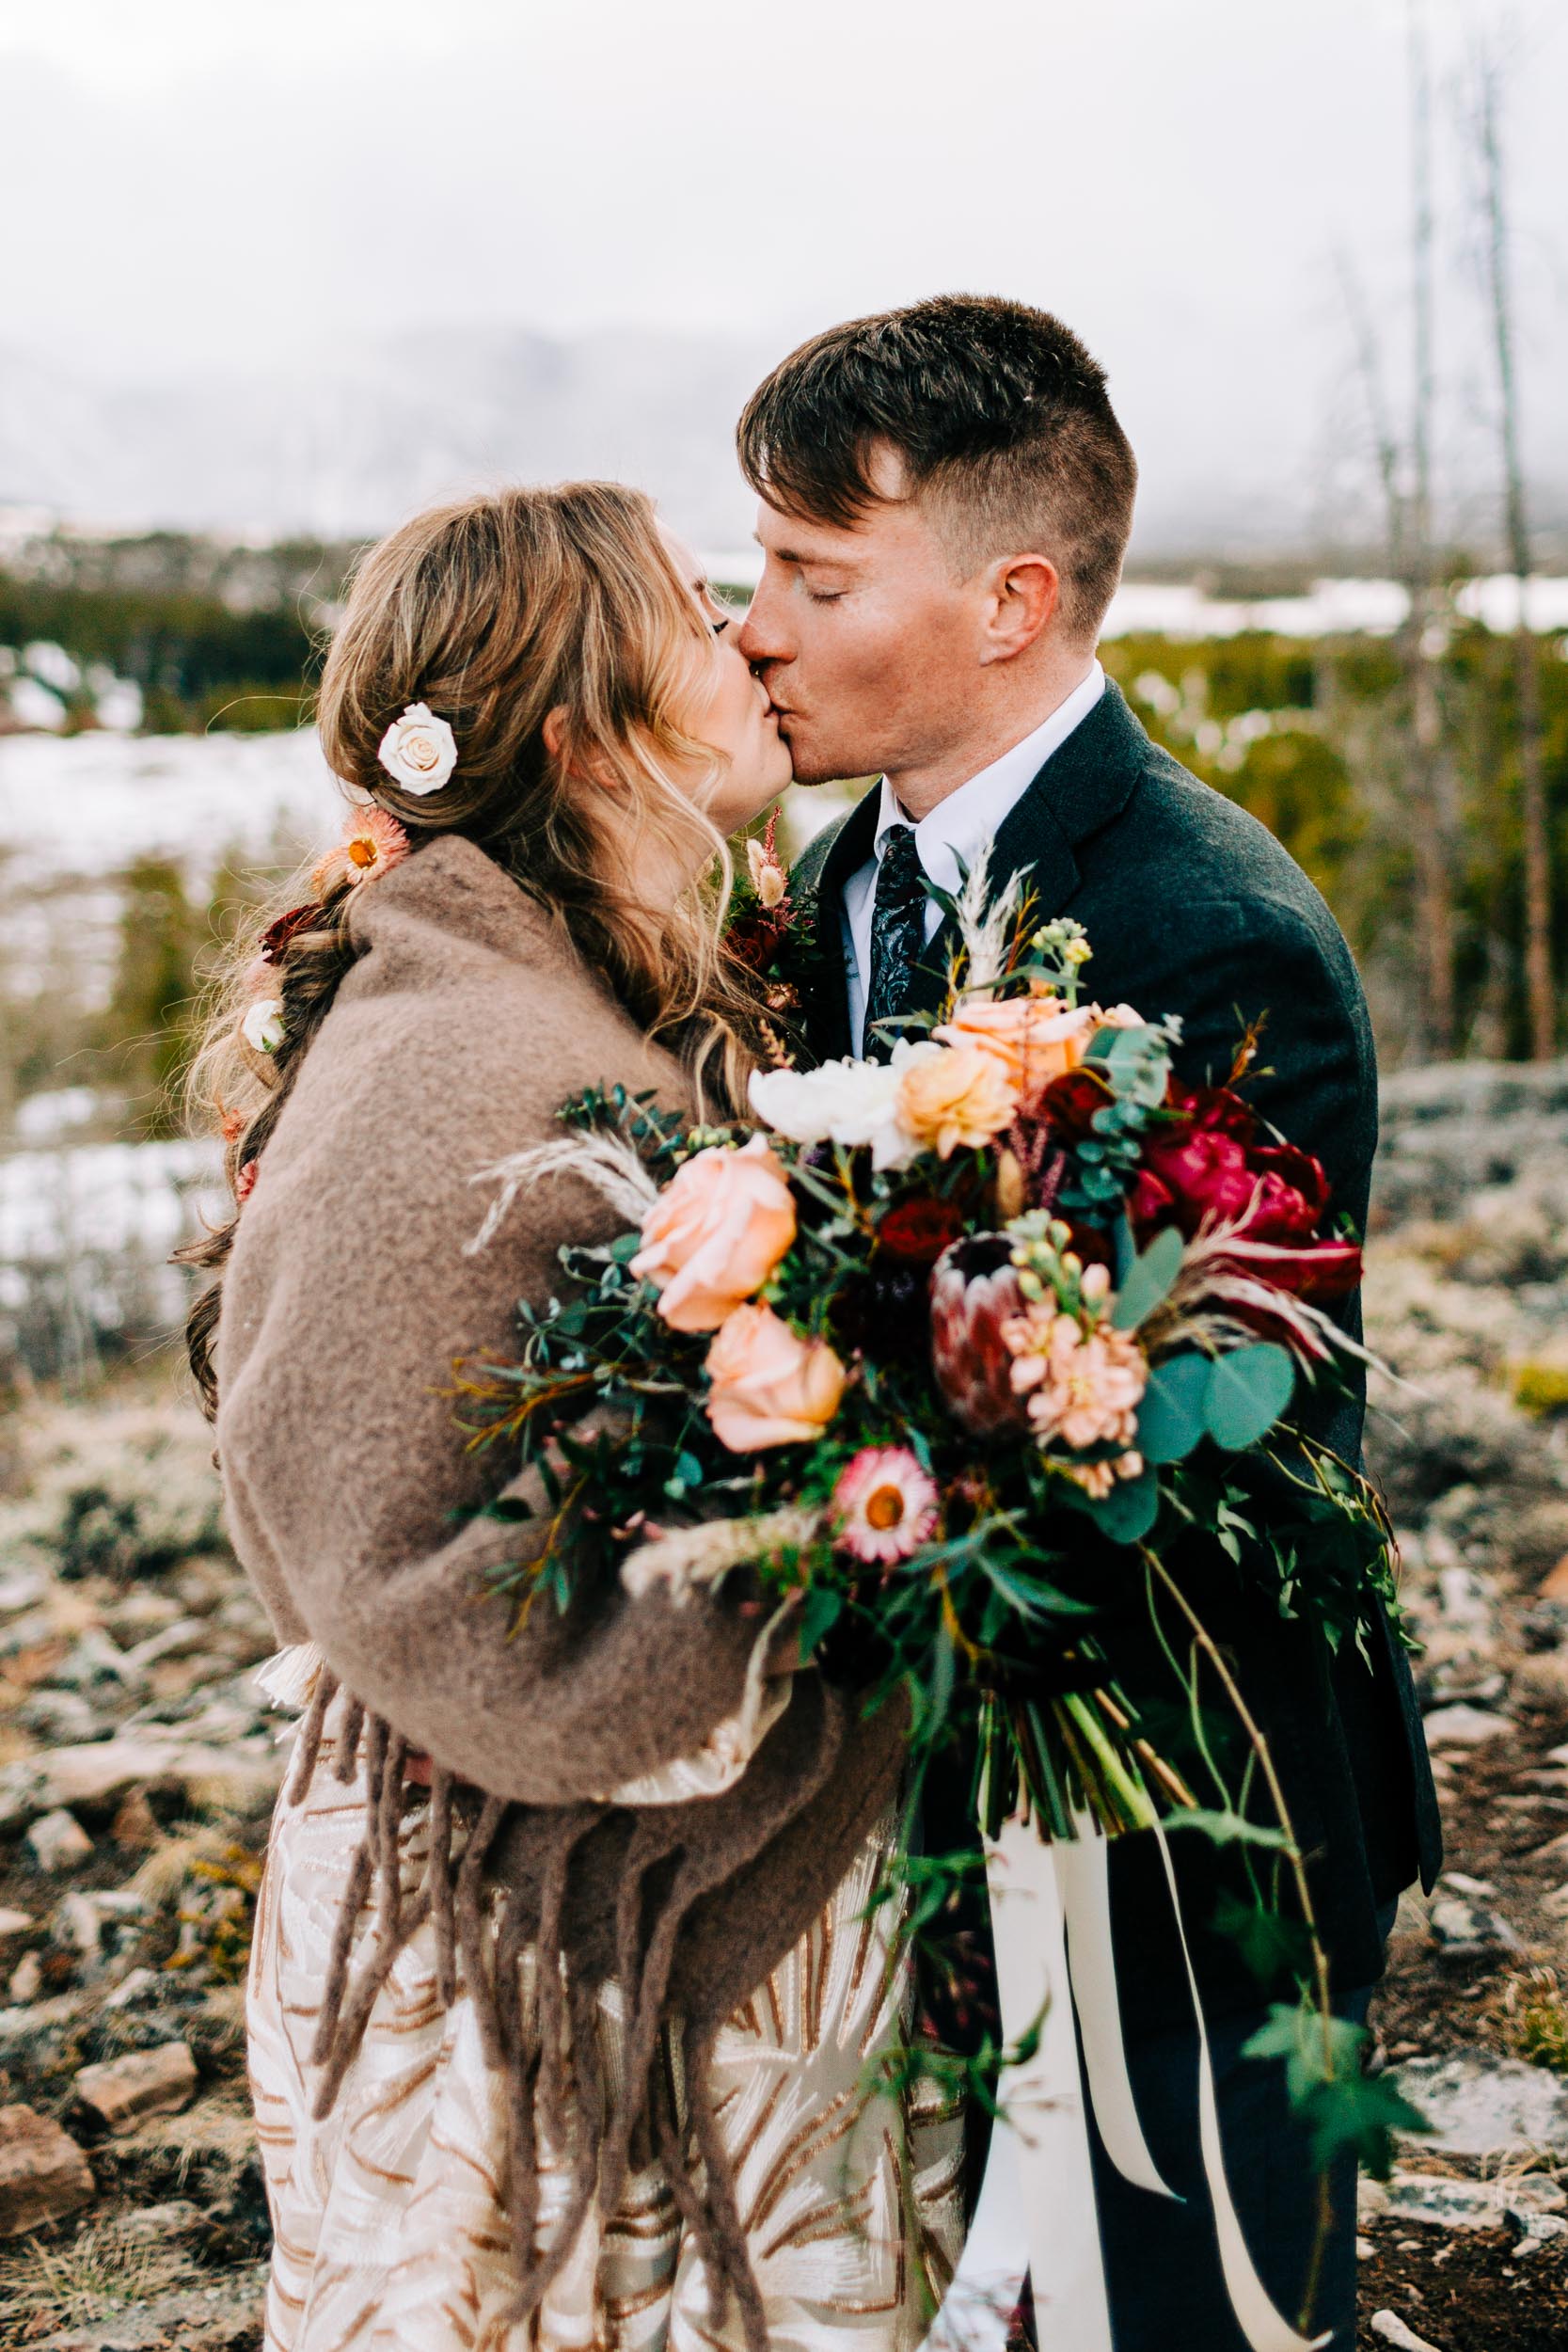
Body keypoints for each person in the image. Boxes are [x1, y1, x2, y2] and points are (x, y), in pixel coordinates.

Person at [179, 483, 966, 2352]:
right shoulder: (465, 1050)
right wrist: (833, 1544)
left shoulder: (585, 994)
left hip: (575, 1923)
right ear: (588, 729)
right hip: (525, 1964)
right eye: (700, 615)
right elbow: (373, 1547)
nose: (752, 644)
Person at [733, 293, 1442, 2351]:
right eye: (759, 564)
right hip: (923, 1804)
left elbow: (1226, 1444)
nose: (755, 624)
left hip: (1182, 1808)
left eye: (814, 573)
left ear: (1010, 600)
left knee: (1183, 2298)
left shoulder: (1213, 934)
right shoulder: (824, 898)